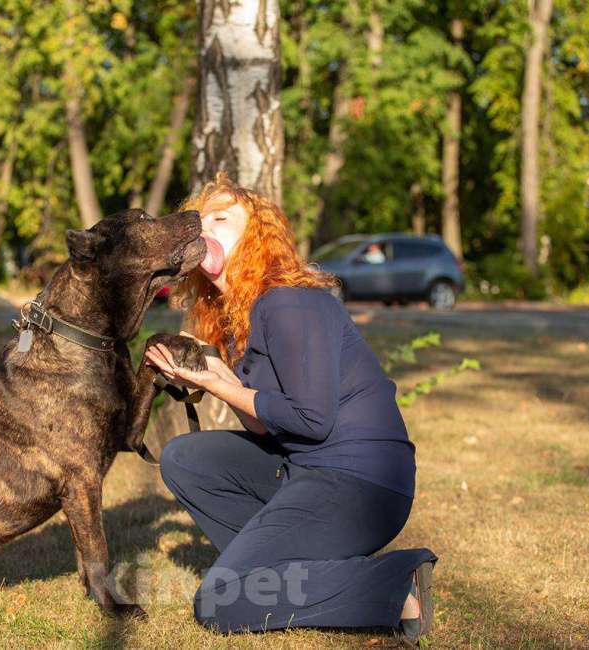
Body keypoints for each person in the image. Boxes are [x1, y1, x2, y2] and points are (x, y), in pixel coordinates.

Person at [143, 172, 437, 642]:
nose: (204, 228)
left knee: (219, 602)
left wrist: (214, 383)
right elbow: (266, 428)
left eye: (221, 220)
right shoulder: (241, 315)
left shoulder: (289, 302)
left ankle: (392, 583)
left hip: (362, 484)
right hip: (305, 466)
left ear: (256, 238)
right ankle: (282, 569)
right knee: (184, 458)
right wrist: (218, 378)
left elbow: (310, 420)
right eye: (199, 221)